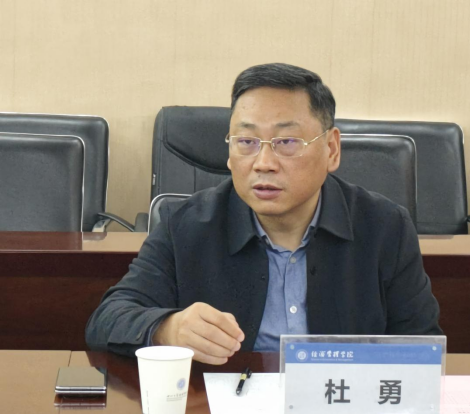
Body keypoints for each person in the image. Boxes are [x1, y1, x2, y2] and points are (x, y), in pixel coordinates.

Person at [86, 63, 442, 365]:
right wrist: (168, 329)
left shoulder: (384, 228)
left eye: (286, 142)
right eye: (247, 142)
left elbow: (421, 347)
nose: (264, 163)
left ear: (332, 149)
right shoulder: (185, 225)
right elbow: (107, 319)